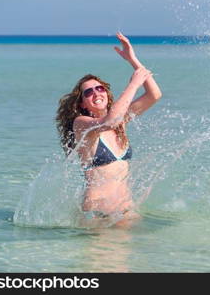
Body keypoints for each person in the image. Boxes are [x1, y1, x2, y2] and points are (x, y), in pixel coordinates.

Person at [55, 32, 162, 226]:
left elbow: (154, 95)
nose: (96, 92)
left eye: (100, 88)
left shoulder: (121, 122)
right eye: (88, 92)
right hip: (97, 215)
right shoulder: (82, 124)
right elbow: (110, 121)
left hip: (126, 211)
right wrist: (133, 84)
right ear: (83, 104)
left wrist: (133, 60)